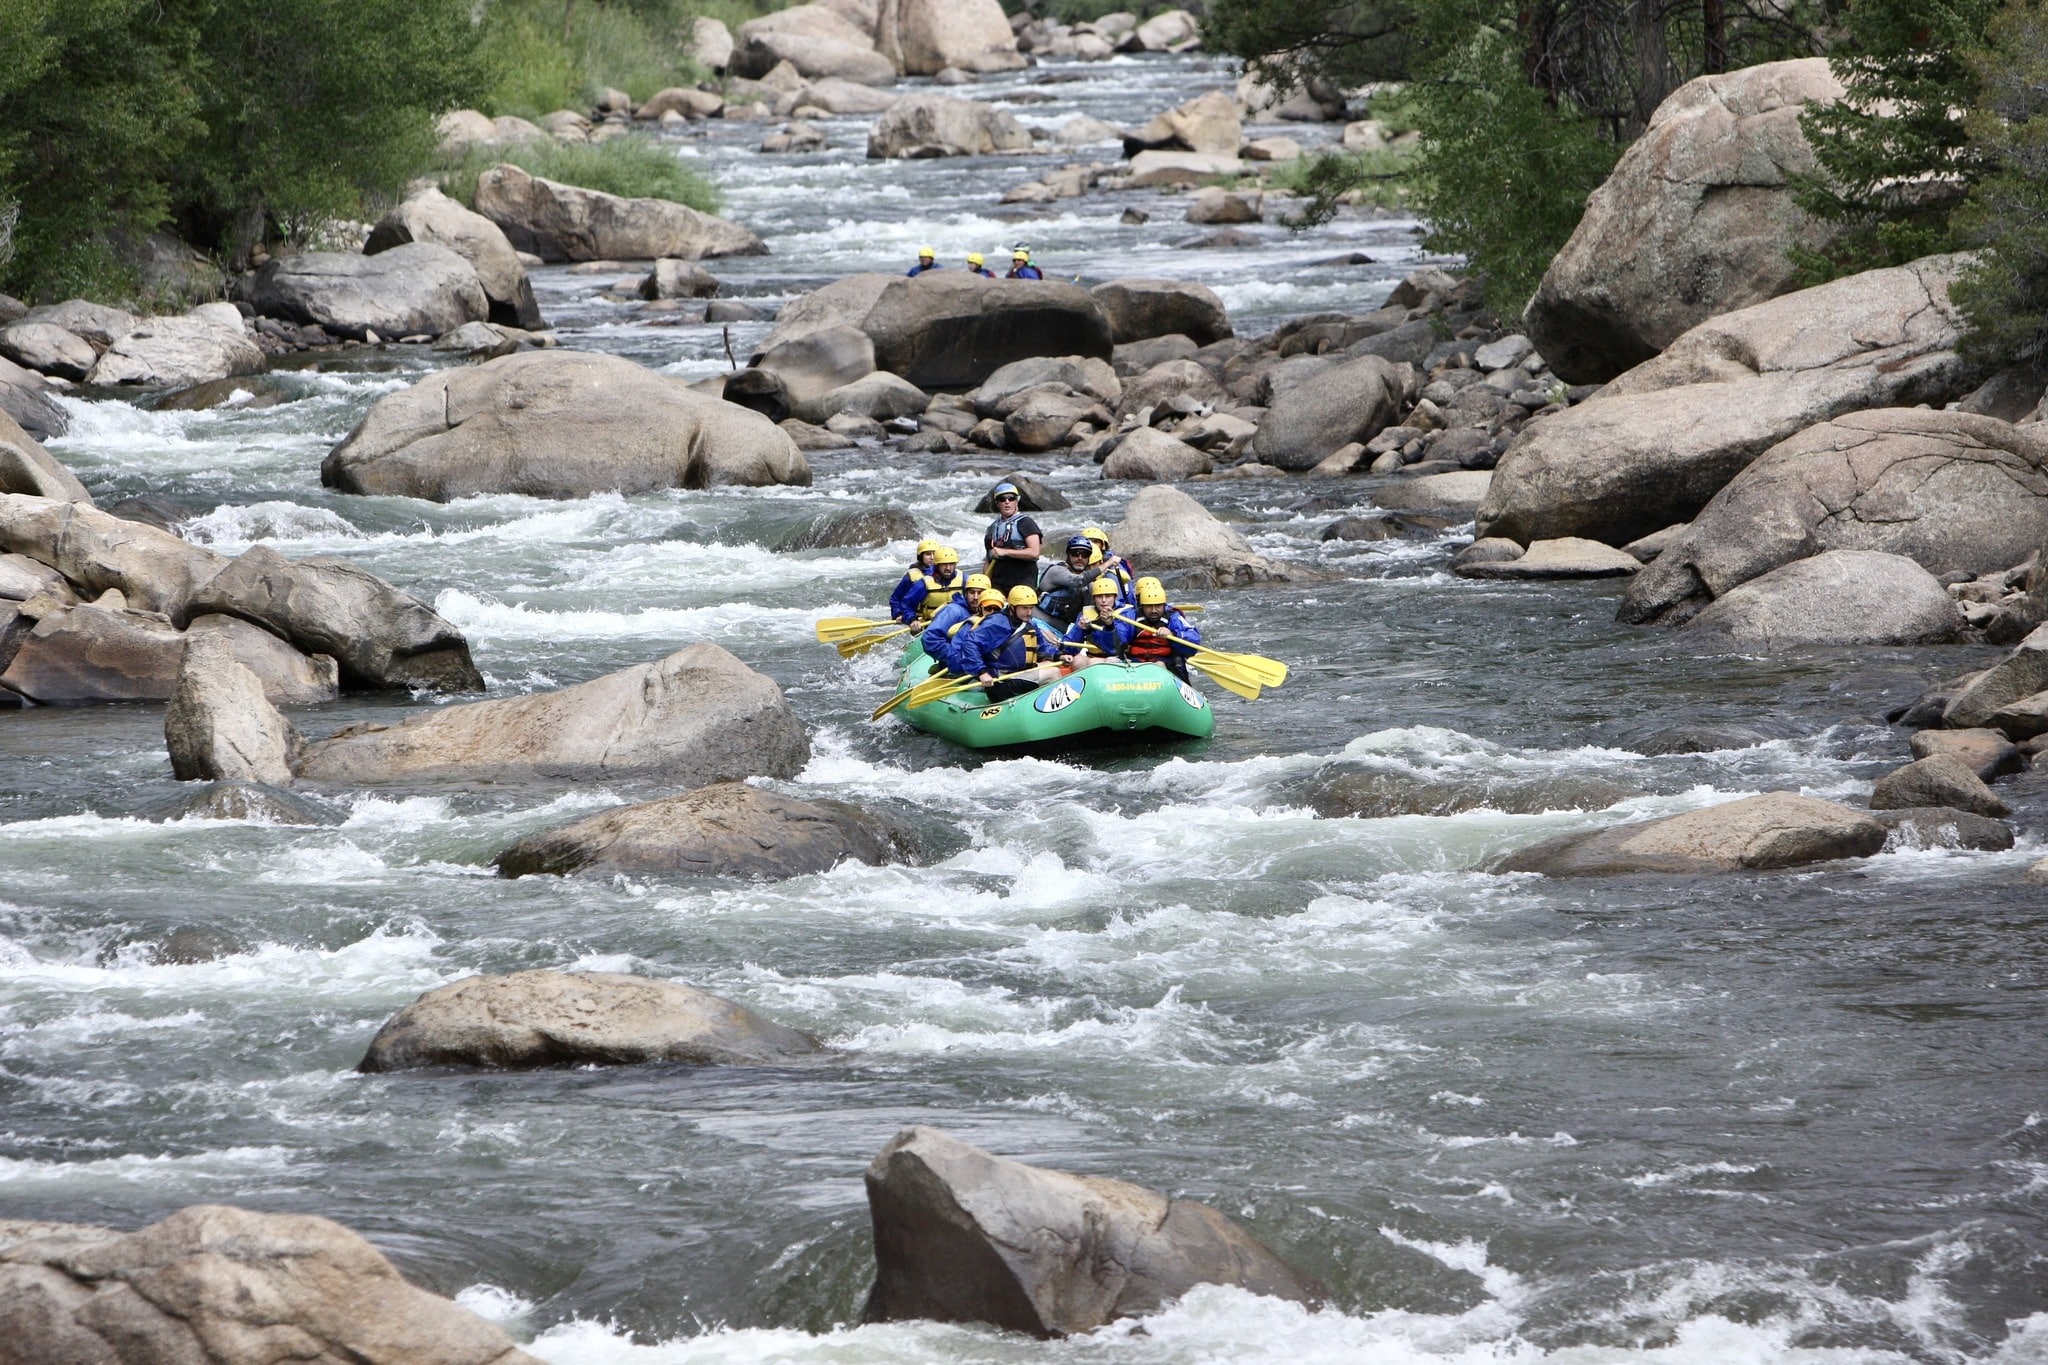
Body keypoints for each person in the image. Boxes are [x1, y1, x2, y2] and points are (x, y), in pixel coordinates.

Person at [964, 585, 1065, 701]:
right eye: (1024, 608)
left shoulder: (1029, 623)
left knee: (1050, 664)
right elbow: (970, 644)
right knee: (1053, 673)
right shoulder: (997, 623)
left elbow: (1041, 646)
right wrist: (981, 672)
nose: (1029, 612)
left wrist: (1059, 655)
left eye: (1031, 608)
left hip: (1018, 673)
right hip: (1000, 681)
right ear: (1012, 607)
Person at [1115, 576, 1201, 683]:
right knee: (1113, 661)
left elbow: (1193, 641)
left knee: (1158, 666)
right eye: (1149, 606)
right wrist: (1109, 626)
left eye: (1158, 606)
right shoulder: (1130, 616)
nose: (1154, 610)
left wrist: (1173, 635)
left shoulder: (1173, 617)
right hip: (1135, 664)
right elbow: (1114, 643)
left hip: (1166, 664)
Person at [922, 582, 1000, 675]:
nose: (975, 597)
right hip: (956, 663)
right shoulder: (953, 611)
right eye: (972, 592)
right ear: (965, 593)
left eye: (980, 593)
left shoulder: (988, 614)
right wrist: (959, 657)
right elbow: (930, 640)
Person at [981, 481, 1042, 597]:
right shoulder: (992, 529)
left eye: (1011, 498)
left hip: (1023, 582)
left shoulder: (1026, 523)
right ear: (997, 504)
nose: (1007, 502)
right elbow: (988, 560)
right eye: (1002, 499)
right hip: (999, 583)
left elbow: (1034, 553)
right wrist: (984, 585)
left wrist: (1005, 552)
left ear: (1017, 501)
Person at [1034, 535, 1098, 629]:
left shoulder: (1089, 585)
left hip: (1063, 629)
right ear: (1068, 554)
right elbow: (1078, 580)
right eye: (1075, 553)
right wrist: (1106, 565)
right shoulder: (1056, 571)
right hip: (1039, 622)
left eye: (1085, 554)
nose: (1080, 558)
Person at [1060, 576, 1125, 667]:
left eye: (1108, 596)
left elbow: (1115, 648)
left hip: (1120, 658)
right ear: (1094, 598)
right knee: (1077, 660)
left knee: (1093, 662)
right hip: (1094, 657)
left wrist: (1109, 625)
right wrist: (1079, 629)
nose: (1103, 600)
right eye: (1099, 596)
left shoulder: (1125, 613)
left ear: (1115, 597)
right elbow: (1069, 648)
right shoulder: (1086, 613)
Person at [890, 543, 964, 624]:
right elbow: (898, 600)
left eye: (934, 554)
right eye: (928, 554)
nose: (932, 557)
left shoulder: (962, 579)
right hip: (924, 620)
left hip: (954, 621)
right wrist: (903, 615)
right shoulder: (918, 579)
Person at [1079, 524, 1135, 606]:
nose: (1091, 544)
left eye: (1095, 541)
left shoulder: (1113, 571)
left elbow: (1119, 602)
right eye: (1088, 541)